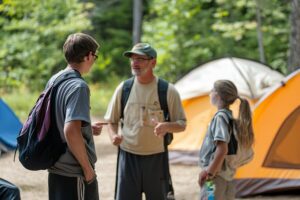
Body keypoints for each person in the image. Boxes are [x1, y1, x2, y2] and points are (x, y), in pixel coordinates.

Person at [104, 43, 186, 200]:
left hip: (157, 158)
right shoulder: (124, 89)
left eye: (140, 59)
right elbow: (112, 120)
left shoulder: (167, 90)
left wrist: (167, 126)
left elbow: (182, 124)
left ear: (153, 62)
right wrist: (113, 135)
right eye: (133, 59)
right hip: (128, 157)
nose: (135, 63)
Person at [47, 33, 102, 200]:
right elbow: (70, 131)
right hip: (74, 172)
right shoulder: (78, 86)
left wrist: (85, 128)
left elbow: (57, 119)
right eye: (95, 56)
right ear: (89, 55)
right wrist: (88, 170)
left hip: (56, 167)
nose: (94, 61)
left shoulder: (55, 80)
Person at [198, 80, 254, 200]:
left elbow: (222, 149)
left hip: (214, 180)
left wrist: (209, 173)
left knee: (209, 198)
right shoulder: (229, 117)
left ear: (218, 95)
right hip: (228, 178)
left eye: (212, 90)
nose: (210, 93)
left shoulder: (220, 118)